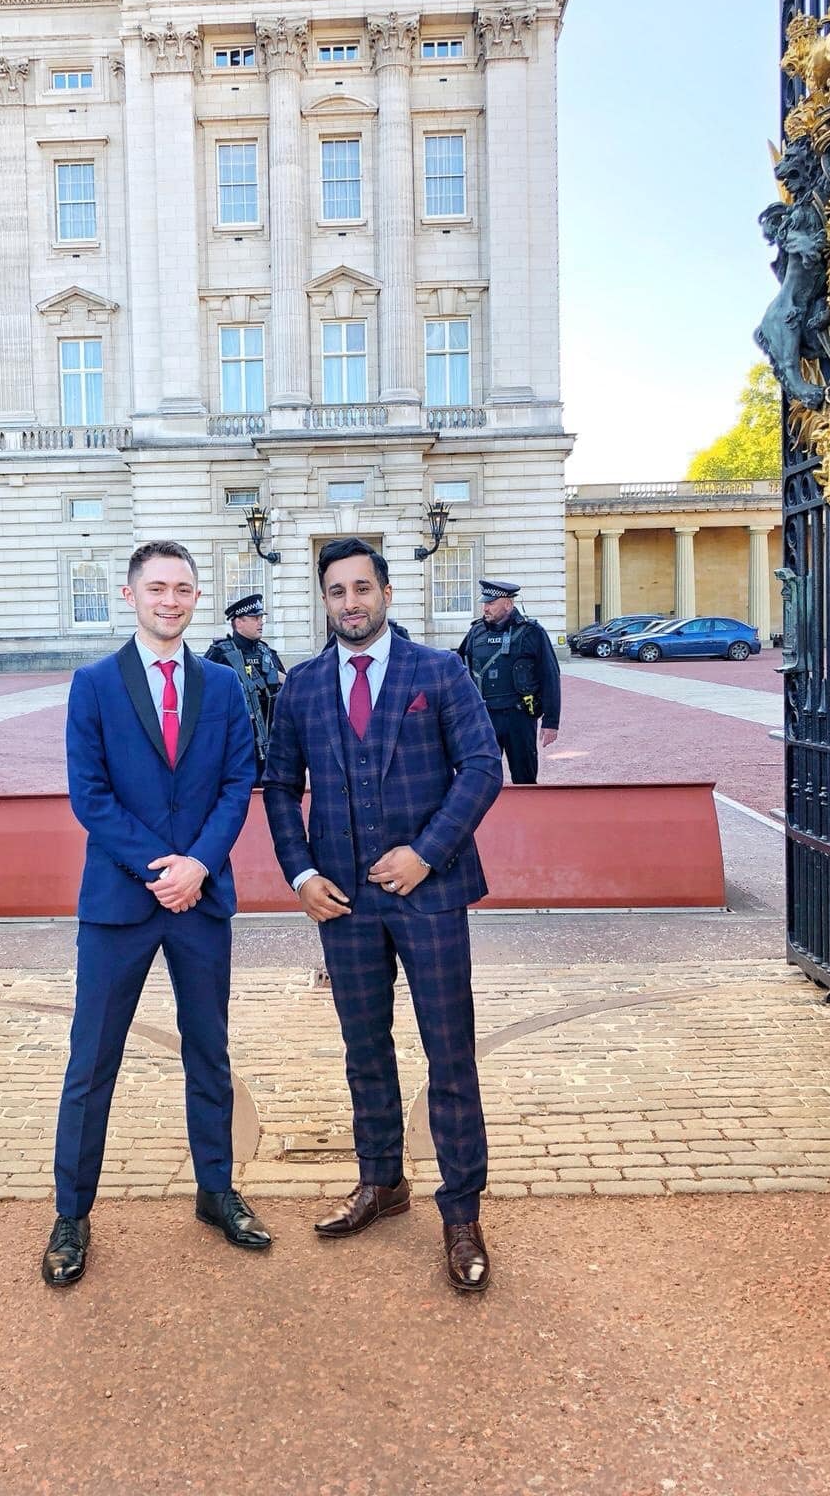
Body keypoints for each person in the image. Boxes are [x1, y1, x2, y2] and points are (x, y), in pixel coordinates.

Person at [262, 538, 502, 1293]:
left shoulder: (440, 671)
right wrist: (299, 872)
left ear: (388, 594)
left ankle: (461, 1212)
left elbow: (482, 767)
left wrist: (426, 853)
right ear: (325, 601)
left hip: (428, 893)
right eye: (336, 591)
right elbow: (277, 787)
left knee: (449, 1054)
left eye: (362, 588)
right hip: (343, 902)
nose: (350, 602)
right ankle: (381, 1181)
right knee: (364, 1051)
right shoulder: (299, 686)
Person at [43, 540, 271, 1288]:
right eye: (157, 588)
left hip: (200, 901)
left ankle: (215, 1190)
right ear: (129, 594)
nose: (170, 600)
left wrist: (198, 865)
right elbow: (91, 796)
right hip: (120, 903)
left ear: (196, 597)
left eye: (183, 589)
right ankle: (72, 1214)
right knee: (91, 1064)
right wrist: (161, 869)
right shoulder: (94, 685)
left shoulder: (223, 685)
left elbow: (240, 783)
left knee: (209, 1053)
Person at [457, 580, 561, 785]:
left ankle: (527, 816)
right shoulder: (476, 632)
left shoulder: (532, 632)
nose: (485, 608)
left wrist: (551, 722)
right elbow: (457, 668)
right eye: (484, 603)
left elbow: (550, 676)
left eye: (491, 603)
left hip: (519, 717)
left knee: (525, 778)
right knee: (480, 779)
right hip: (484, 718)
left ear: (507, 604)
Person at [204, 593, 285, 783]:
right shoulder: (220, 654)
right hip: (236, 742)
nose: (261, 622)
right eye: (255, 618)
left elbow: (286, 693)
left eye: (261, 618)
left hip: (270, 742)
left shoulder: (267, 653)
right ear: (238, 623)